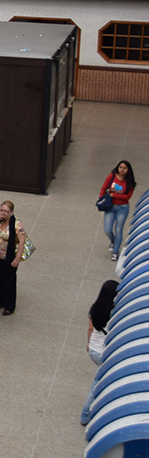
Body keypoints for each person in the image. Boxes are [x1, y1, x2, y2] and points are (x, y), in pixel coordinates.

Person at [80, 279, 119, 425]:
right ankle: (85, 414)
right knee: (96, 383)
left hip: (94, 349)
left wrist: (88, 344)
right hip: (104, 352)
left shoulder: (95, 308)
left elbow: (90, 329)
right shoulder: (114, 312)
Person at [0, 200, 26, 316]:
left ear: (11, 212)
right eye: (1, 210)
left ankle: (9, 306)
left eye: (6, 211)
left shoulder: (16, 224)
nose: (3, 213)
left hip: (7, 259)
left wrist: (16, 259)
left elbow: (21, 242)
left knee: (8, 282)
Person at [99, 160, 136, 260]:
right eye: (121, 167)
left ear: (128, 170)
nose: (122, 170)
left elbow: (127, 197)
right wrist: (102, 199)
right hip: (110, 207)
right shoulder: (111, 177)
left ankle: (115, 251)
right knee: (107, 229)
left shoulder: (129, 182)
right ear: (117, 168)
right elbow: (103, 188)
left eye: (124, 168)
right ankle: (113, 241)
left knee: (118, 229)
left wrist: (113, 195)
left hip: (122, 208)